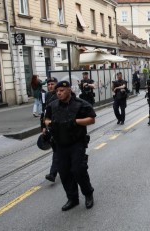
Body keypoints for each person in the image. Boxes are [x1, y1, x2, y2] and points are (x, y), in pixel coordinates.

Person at [44, 81, 95, 211]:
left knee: (79, 170)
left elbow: (91, 119)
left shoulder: (80, 104)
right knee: (64, 173)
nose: (59, 93)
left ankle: (88, 194)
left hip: (76, 143)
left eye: (61, 90)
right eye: (57, 91)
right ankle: (72, 198)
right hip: (60, 144)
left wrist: (76, 121)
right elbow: (46, 119)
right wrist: (49, 124)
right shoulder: (53, 105)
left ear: (69, 90)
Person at [40, 77, 59, 182]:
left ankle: (53, 173)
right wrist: (43, 127)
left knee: (57, 151)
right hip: (50, 127)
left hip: (60, 127)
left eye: (52, 84)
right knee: (57, 150)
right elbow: (44, 112)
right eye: (49, 84)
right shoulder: (46, 96)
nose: (50, 86)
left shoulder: (60, 95)